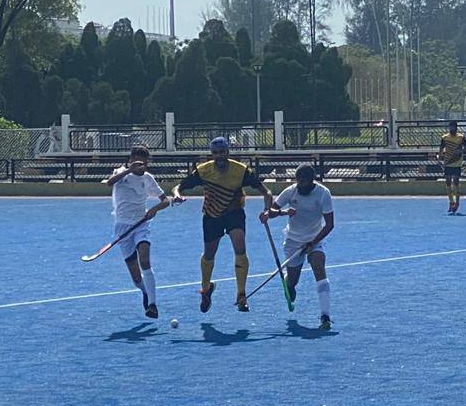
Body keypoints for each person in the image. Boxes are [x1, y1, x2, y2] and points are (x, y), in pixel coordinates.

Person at [171, 136, 274, 312]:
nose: (219, 156)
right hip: (212, 216)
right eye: (215, 153)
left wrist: (267, 209)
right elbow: (179, 186)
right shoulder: (203, 171)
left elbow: (266, 191)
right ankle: (205, 289)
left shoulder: (241, 170)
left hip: (234, 213)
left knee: (240, 248)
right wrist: (177, 195)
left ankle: (241, 295)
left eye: (222, 152)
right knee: (209, 254)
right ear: (212, 154)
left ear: (227, 152)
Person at [260, 164, 335, 330]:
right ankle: (289, 283)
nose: (300, 184)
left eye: (304, 181)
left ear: (311, 180)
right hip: (293, 241)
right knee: (293, 281)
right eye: (298, 180)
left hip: (315, 239)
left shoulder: (323, 194)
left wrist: (313, 242)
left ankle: (325, 316)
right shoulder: (291, 191)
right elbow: (273, 210)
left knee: (318, 265)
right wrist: (272, 213)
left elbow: (329, 225)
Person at [104, 145, 170, 319]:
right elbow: (109, 182)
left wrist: (155, 209)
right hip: (122, 227)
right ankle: (145, 292)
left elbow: (165, 201)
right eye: (135, 160)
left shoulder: (148, 179)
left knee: (145, 260)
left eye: (142, 161)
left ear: (147, 162)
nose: (138, 164)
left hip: (141, 224)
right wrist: (128, 171)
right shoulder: (121, 173)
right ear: (130, 160)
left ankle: (152, 306)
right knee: (135, 276)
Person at [437, 120, 466, 214]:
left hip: (457, 162)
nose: (452, 129)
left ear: (456, 127)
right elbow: (441, 148)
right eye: (450, 127)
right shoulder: (445, 137)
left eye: (453, 127)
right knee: (447, 182)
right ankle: (451, 202)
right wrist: (439, 159)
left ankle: (457, 202)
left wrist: (461, 151)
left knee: (455, 181)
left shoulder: (461, 137)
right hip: (448, 162)